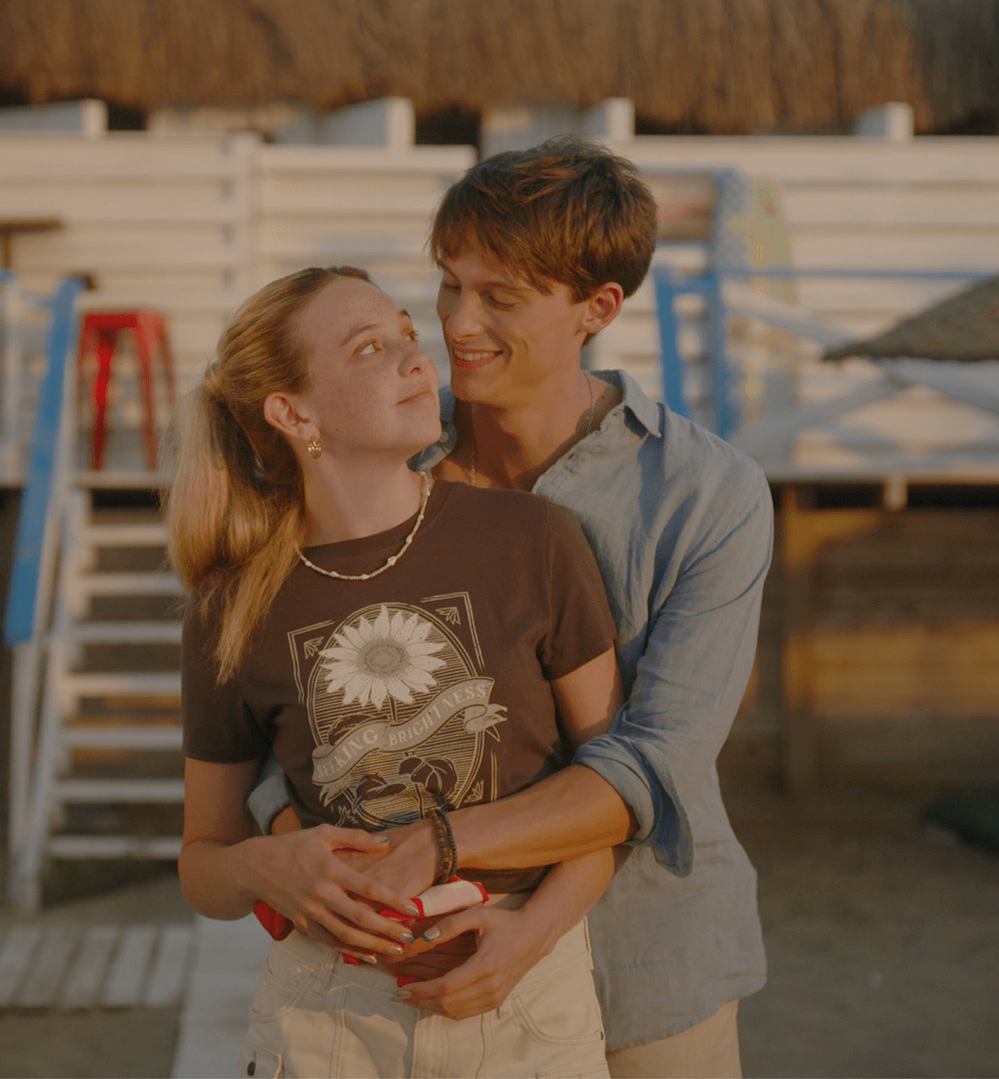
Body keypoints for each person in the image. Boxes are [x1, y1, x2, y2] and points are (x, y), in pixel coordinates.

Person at [238, 136, 774, 1078]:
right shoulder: (380, 457)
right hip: (406, 976)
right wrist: (310, 859)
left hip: (651, 966)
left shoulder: (709, 494)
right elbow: (274, 705)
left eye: (501, 297)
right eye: (450, 285)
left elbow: (654, 763)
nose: (458, 322)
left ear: (598, 308)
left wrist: (509, 904)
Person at [170, 265, 627, 1078]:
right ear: (293, 414)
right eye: (368, 348)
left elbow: (614, 794)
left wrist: (533, 935)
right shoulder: (230, 608)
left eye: (408, 335)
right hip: (327, 1019)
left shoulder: (534, 539)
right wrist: (260, 866)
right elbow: (203, 860)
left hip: (523, 996)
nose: (419, 358)